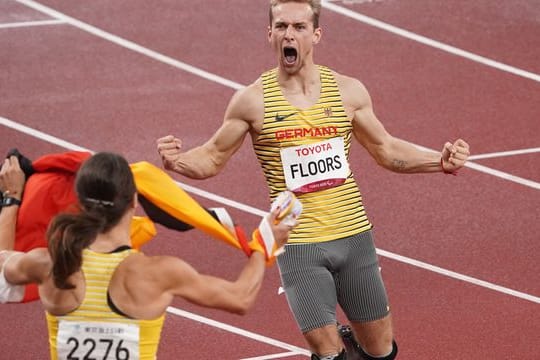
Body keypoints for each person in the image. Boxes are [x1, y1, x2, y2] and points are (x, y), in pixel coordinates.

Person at [156, 0, 470, 359]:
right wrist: (178, 162)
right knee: (326, 351)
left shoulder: (349, 92)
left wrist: (439, 161)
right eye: (282, 26)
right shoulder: (251, 101)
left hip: (352, 236)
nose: (289, 34)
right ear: (270, 34)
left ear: (316, 34)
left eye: (299, 27)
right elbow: (212, 157)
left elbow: (385, 149)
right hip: (298, 242)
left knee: (381, 350)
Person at [0, 152, 294, 359]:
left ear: (79, 202)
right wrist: (266, 242)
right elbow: (240, 298)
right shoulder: (157, 273)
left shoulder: (50, 263)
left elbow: (2, 262)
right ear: (135, 200)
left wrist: (11, 198)